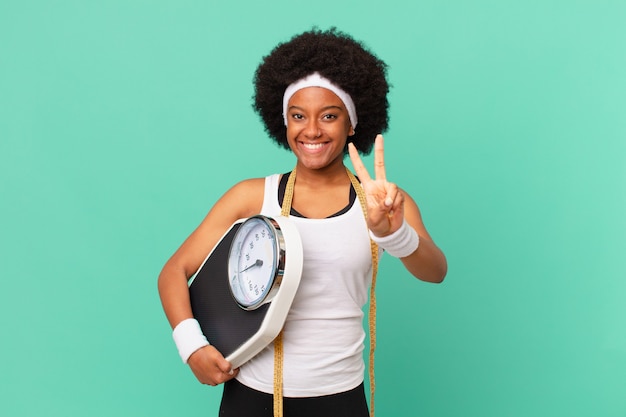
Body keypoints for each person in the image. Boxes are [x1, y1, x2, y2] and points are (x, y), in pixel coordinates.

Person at [158, 27, 447, 417]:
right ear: (284, 122)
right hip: (252, 397)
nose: (311, 130)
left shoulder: (382, 202)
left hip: (340, 397)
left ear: (353, 123)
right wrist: (191, 346)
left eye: (329, 115)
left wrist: (393, 234)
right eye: (298, 116)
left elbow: (435, 271)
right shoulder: (250, 196)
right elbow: (174, 271)